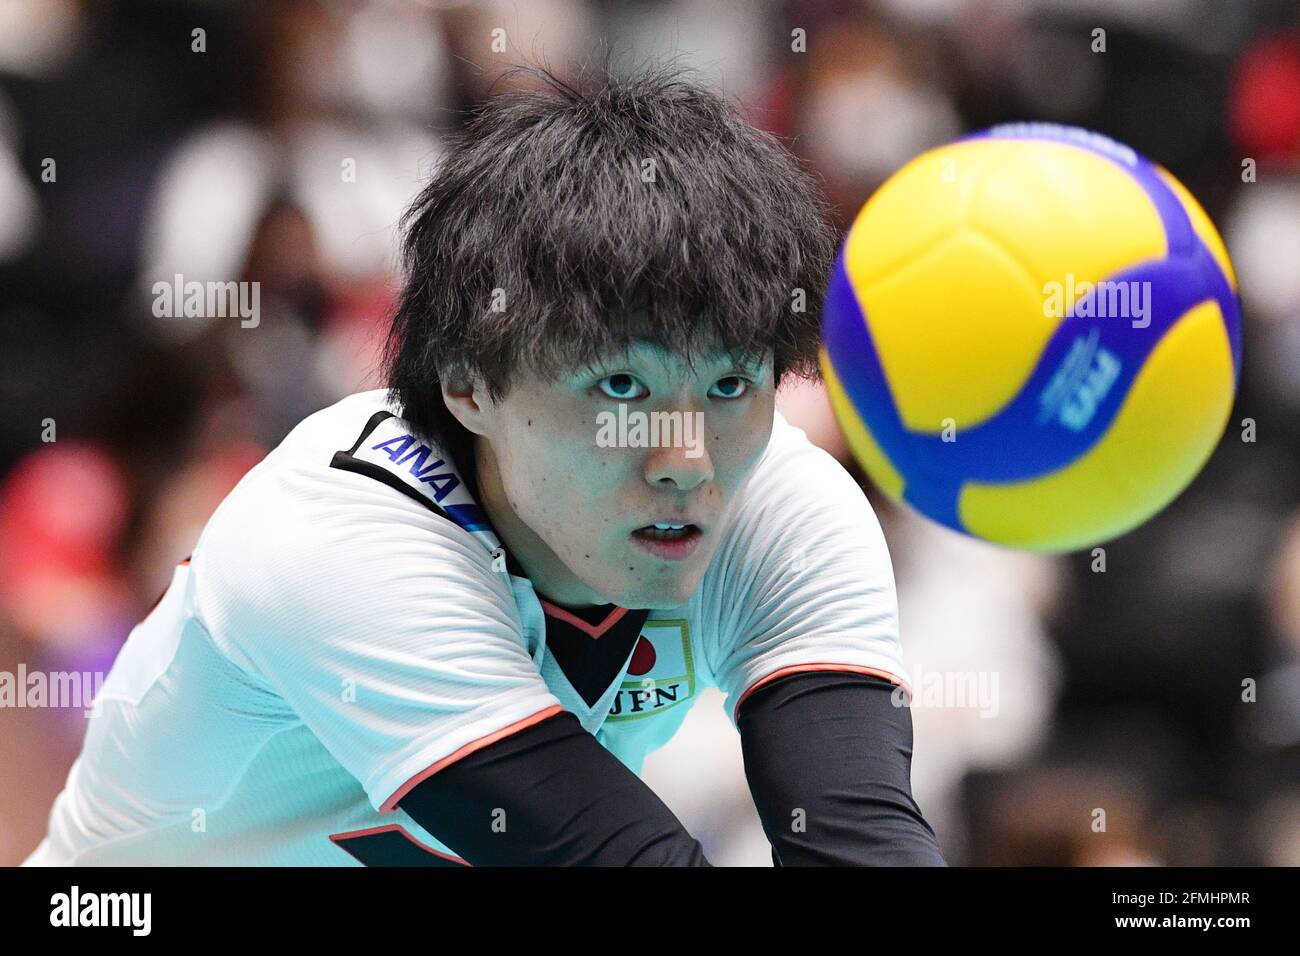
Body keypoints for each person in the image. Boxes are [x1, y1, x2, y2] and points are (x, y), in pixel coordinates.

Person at [24, 67, 943, 866]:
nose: (687, 462)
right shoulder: (336, 544)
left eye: (731, 384)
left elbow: (861, 844)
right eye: (622, 386)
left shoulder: (783, 505)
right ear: (468, 382)